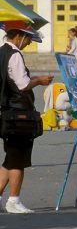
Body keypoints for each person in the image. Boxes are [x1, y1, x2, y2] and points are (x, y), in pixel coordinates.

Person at [0, 27, 53, 213]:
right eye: (28, 38)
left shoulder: (2, 52)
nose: (29, 42)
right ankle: (13, 200)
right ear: (18, 36)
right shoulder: (14, 54)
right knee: (17, 159)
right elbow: (22, 84)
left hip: (7, 111)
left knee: (10, 157)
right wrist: (39, 80)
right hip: (18, 113)